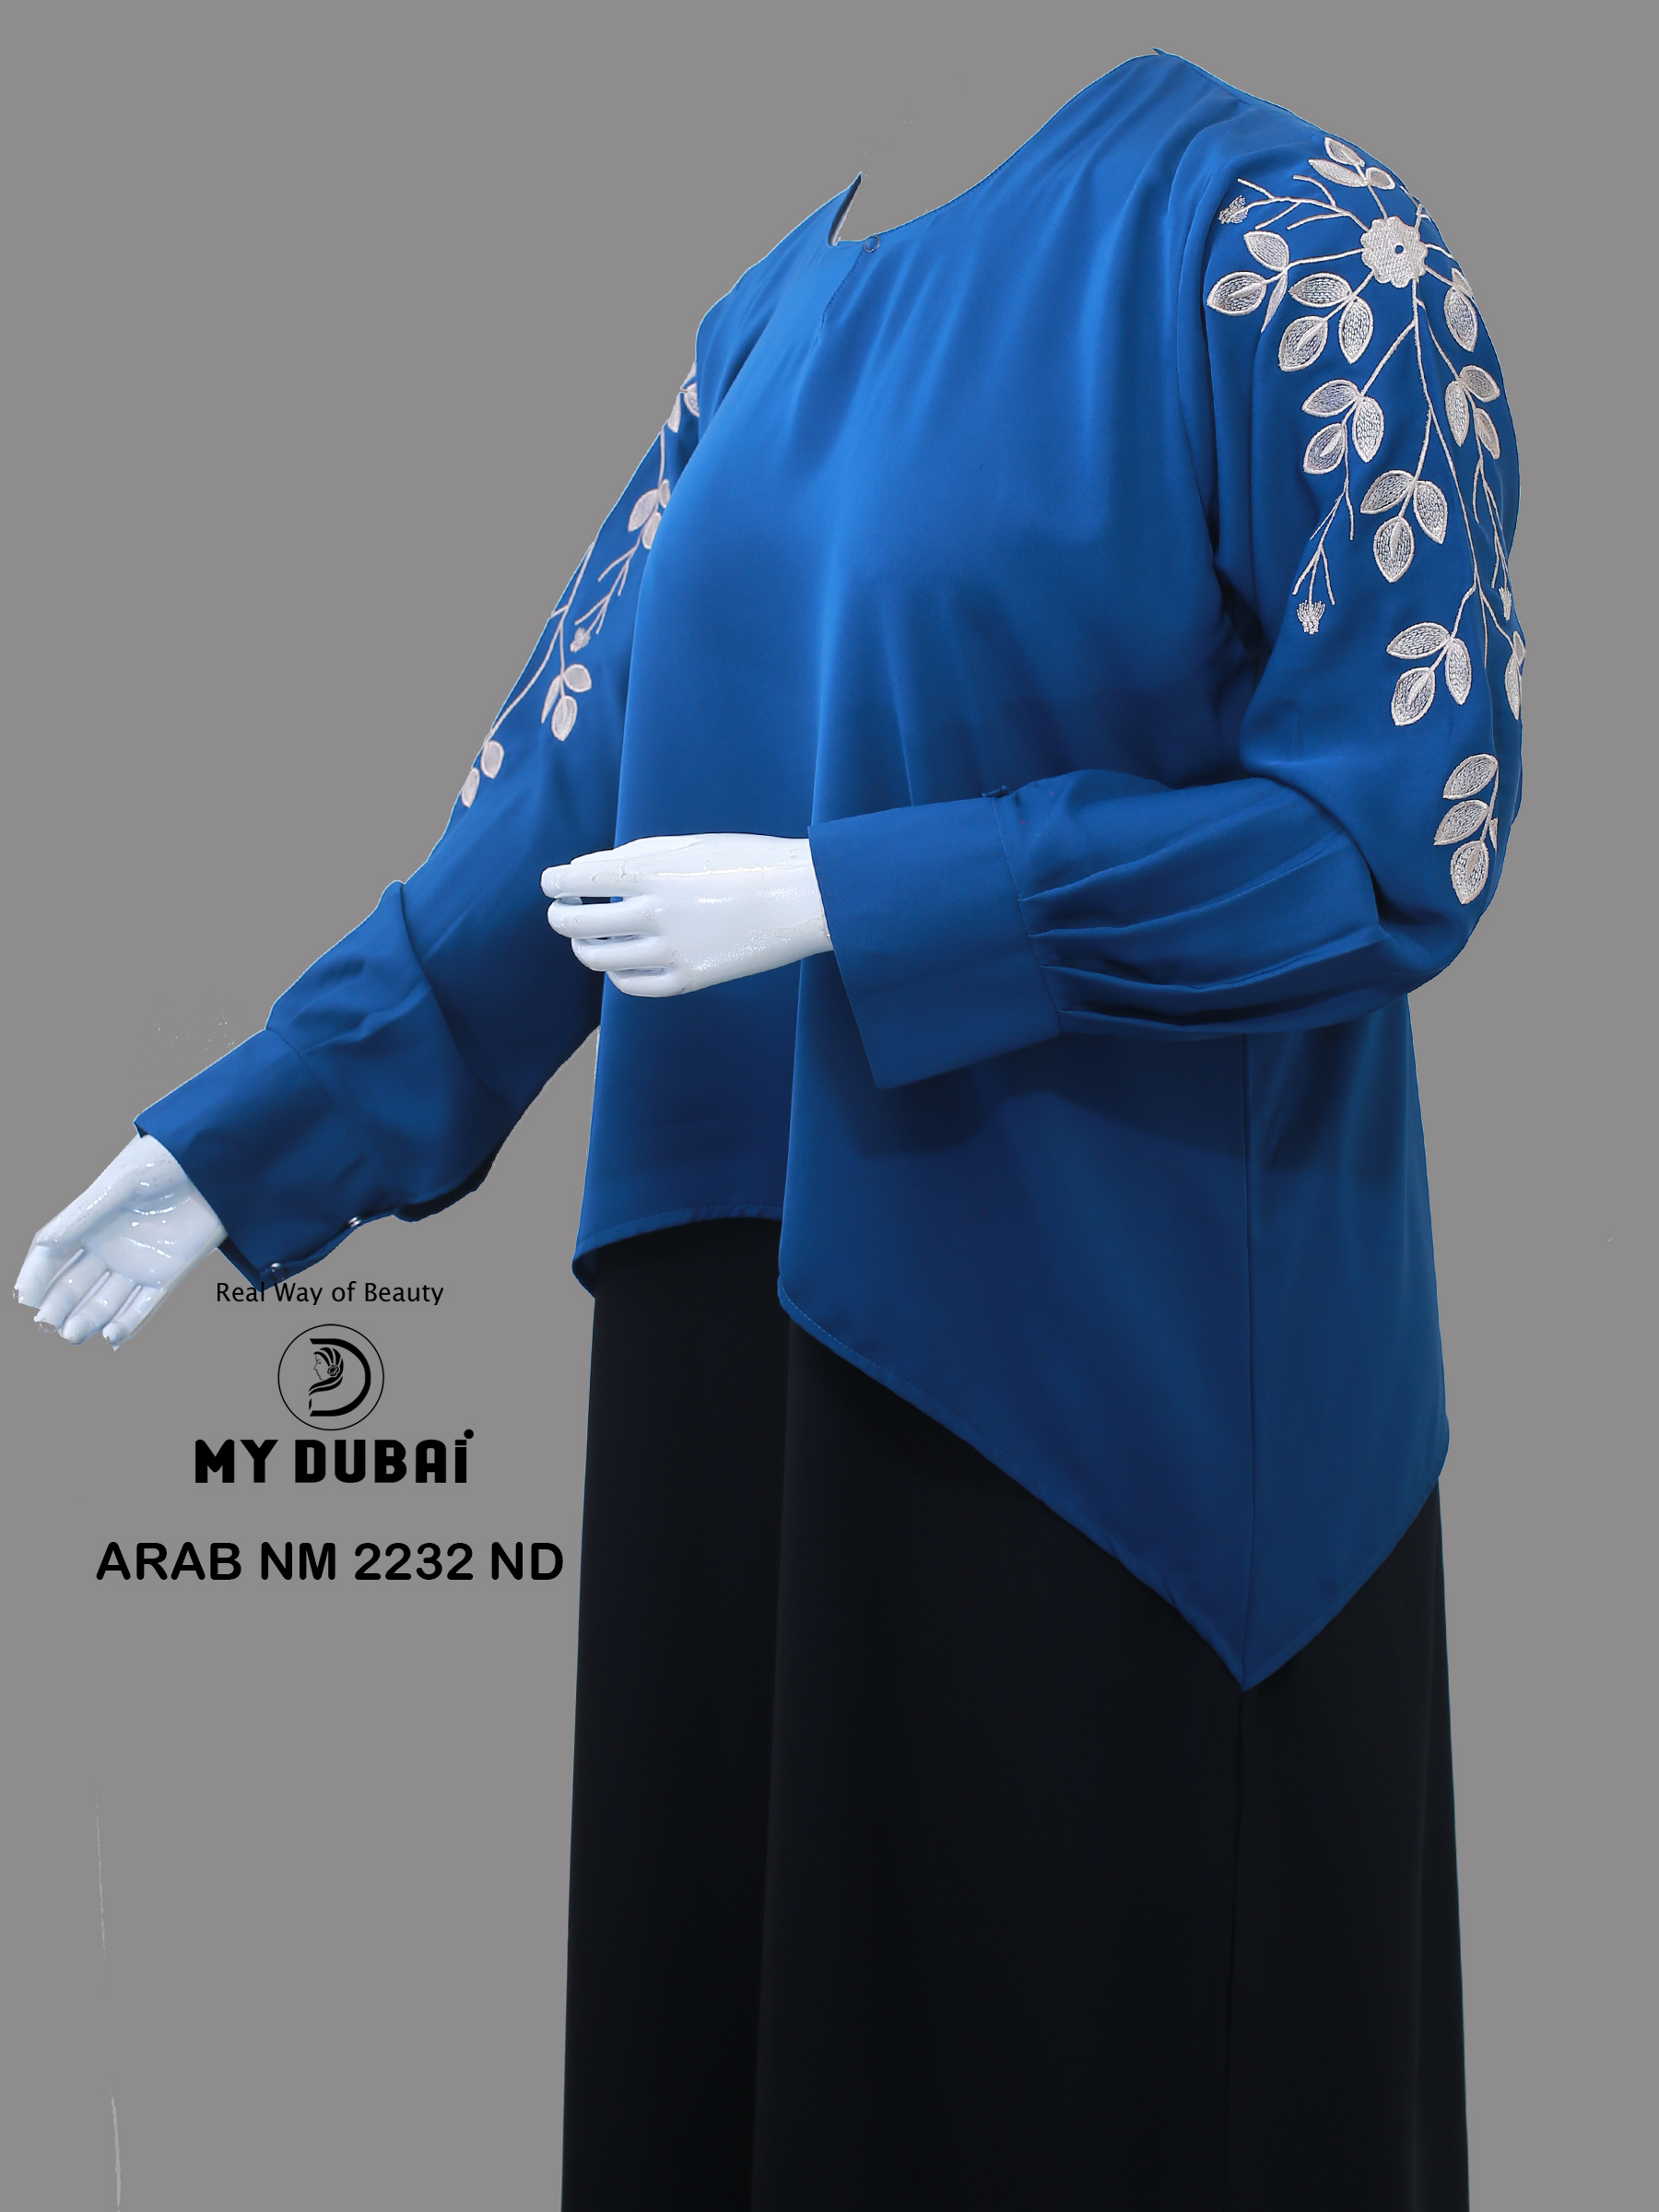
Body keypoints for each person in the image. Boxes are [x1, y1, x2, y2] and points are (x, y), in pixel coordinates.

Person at [18, 52, 1521, 2209]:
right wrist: (253, 1135)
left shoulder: (1300, 248)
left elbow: (1394, 837)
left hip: (1113, 1392)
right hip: (744, 1358)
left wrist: (859, 895)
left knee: (1073, 2070)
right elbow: (567, 789)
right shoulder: (770, 321)